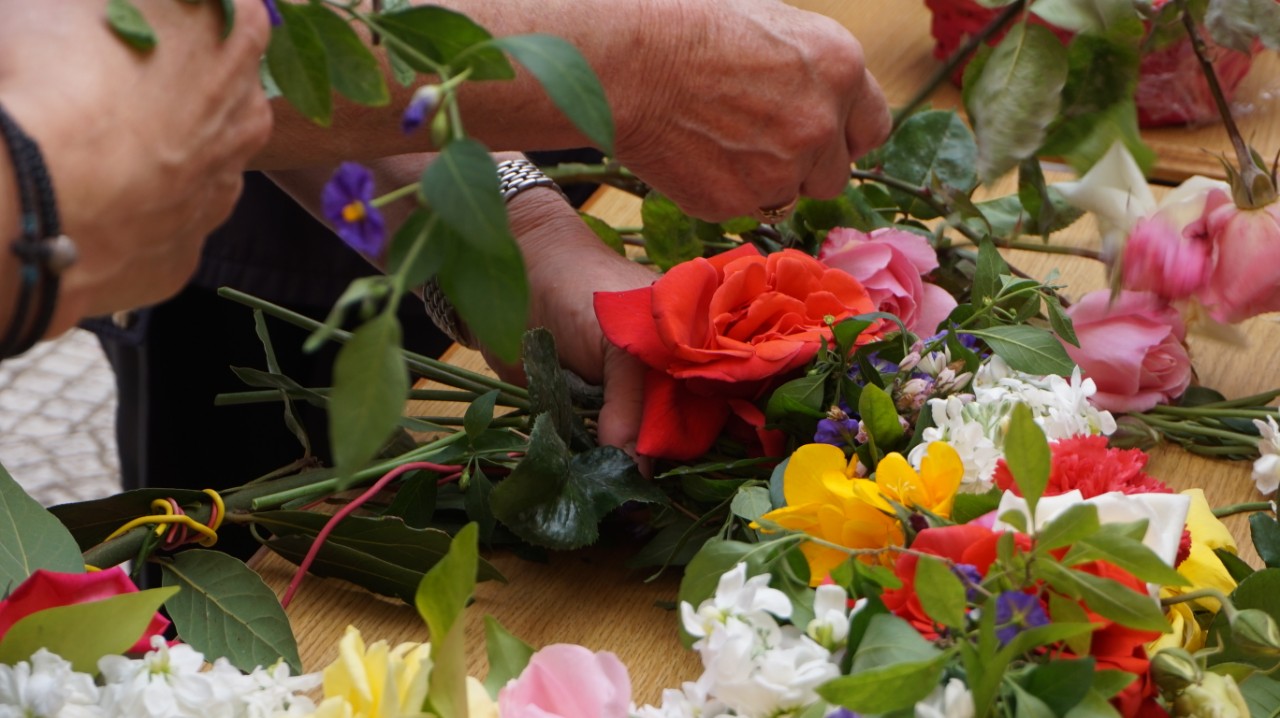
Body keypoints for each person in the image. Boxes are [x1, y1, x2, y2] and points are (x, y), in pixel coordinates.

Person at [3, 0, 891, 466]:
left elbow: (238, 49)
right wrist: (644, 65)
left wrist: (515, 235)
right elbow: (171, 51)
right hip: (267, 269)